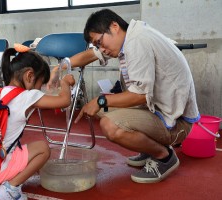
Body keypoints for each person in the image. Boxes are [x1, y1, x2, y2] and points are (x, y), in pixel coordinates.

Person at [48, 9, 200, 184]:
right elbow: (90, 55)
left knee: (110, 125)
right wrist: (59, 68)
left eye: (100, 42)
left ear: (114, 26)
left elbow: (141, 95)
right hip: (158, 109)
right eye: (97, 45)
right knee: (100, 111)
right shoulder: (129, 36)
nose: (101, 49)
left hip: (176, 123)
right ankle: (149, 148)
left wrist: (101, 100)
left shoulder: (137, 41)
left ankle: (164, 156)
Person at [0, 44, 75, 200]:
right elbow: (64, 101)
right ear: (29, 76)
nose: (40, 89)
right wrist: (65, 83)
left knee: (5, 142)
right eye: (40, 84)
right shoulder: (27, 96)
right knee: (43, 148)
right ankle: (10, 189)